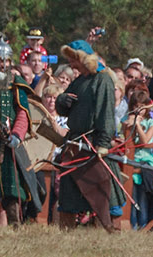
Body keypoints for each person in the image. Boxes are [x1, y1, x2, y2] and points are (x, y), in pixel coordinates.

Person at [53, 40, 124, 232]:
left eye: (73, 60)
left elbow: (105, 114)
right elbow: (63, 108)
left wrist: (102, 144)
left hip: (93, 144)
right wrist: (62, 100)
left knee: (105, 192)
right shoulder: (79, 81)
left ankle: (112, 232)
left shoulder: (103, 79)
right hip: (75, 144)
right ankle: (66, 234)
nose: (71, 65)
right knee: (69, 195)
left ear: (84, 59)